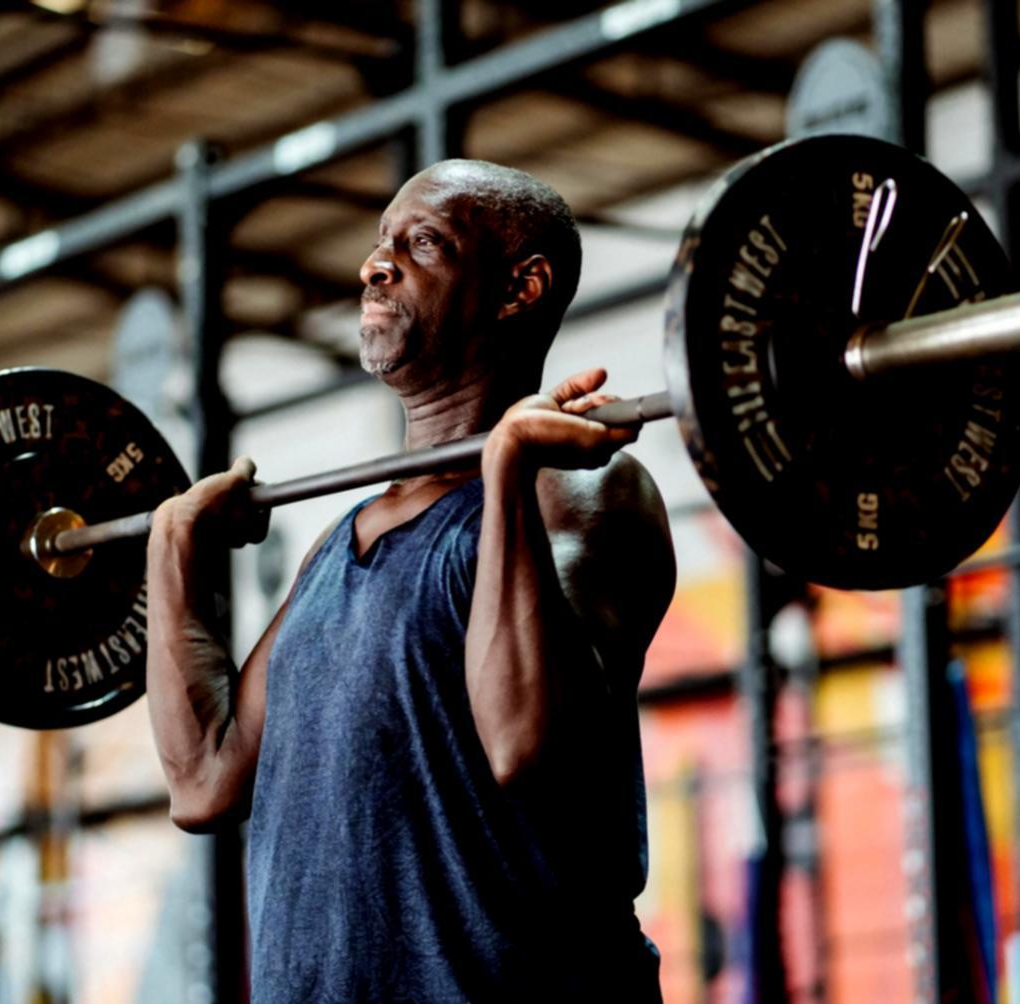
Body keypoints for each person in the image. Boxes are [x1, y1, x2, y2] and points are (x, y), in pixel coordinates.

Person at [145, 159, 676, 1001]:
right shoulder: (340, 543)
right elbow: (205, 781)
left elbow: (523, 741)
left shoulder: (580, 492)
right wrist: (172, 554)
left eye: (420, 243)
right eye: (377, 244)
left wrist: (504, 466)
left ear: (519, 288)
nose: (374, 266)